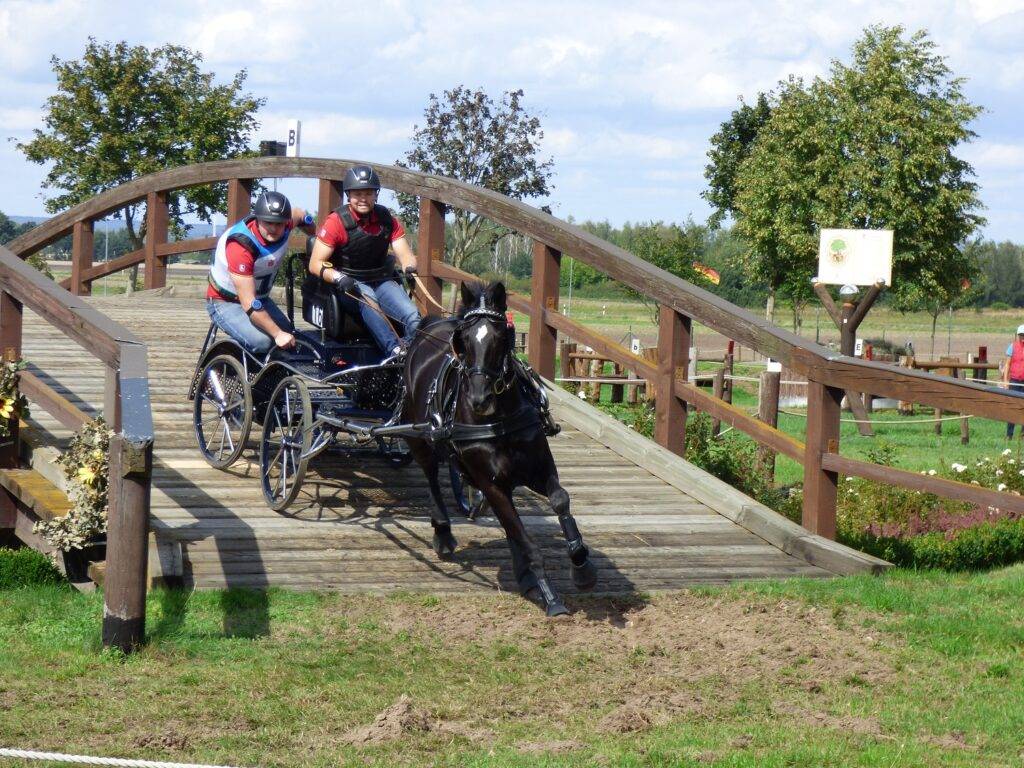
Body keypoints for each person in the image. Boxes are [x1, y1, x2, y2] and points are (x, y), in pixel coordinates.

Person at [307, 165, 421, 358]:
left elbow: (405, 254)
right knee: (369, 302)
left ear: (376, 195)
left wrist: (409, 267)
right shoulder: (336, 222)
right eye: (357, 194)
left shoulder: (387, 219)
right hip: (350, 284)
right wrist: (338, 277)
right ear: (348, 195)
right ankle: (394, 351)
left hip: (382, 280)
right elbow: (315, 264)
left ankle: (414, 353)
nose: (363, 199)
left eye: (368, 193)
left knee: (412, 315)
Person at [207, 191, 316, 356]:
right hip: (226, 301)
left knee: (293, 339)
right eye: (268, 223)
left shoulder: (286, 223)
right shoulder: (241, 246)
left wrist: (315, 235)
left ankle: (269, 377)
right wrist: (277, 334)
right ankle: (227, 363)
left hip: (261, 299)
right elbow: (249, 303)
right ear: (257, 219)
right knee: (264, 342)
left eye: (279, 224)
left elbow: (300, 215)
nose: (273, 228)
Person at [1003, 324, 1024, 438]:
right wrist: (1006, 381)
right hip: (1014, 381)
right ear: (1017, 335)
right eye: (1021, 335)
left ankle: (1022, 434)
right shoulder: (1013, 346)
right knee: (1013, 407)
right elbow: (1007, 364)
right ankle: (1009, 434)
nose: (1023, 337)